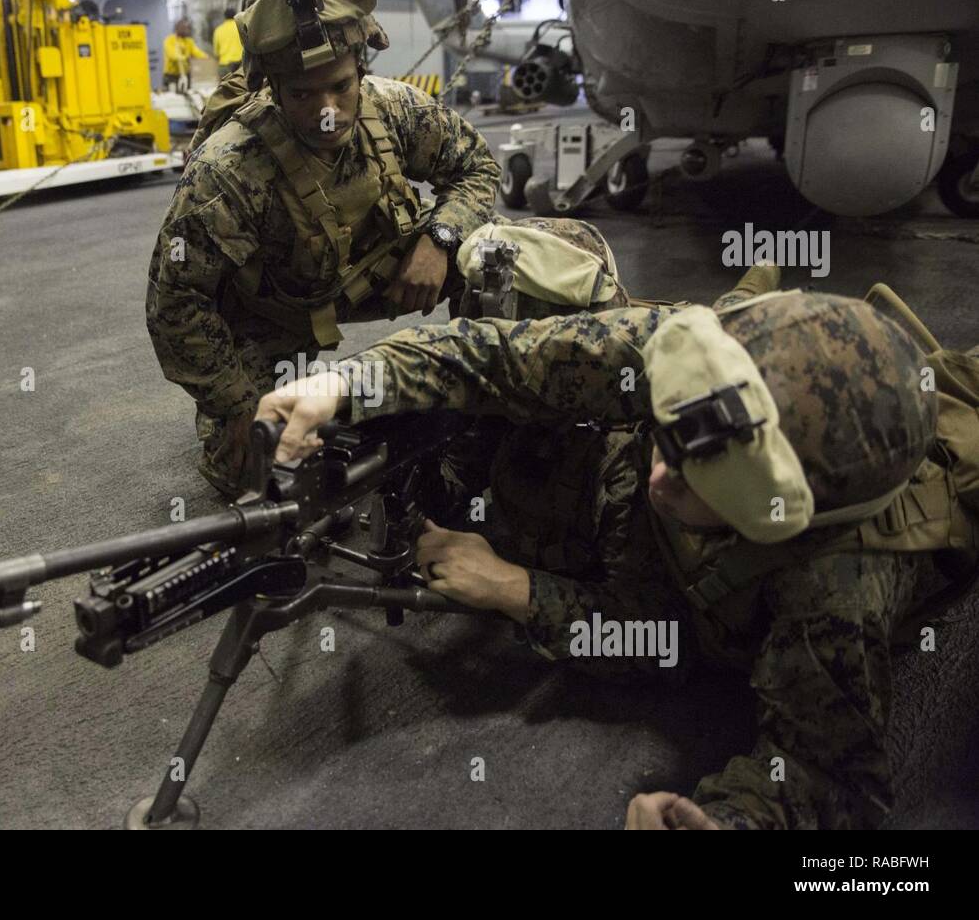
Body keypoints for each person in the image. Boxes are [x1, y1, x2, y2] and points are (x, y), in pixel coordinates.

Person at [255, 219, 978, 829]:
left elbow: (828, 781)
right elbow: (501, 359)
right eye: (667, 437)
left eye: (704, 482)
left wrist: (519, 591)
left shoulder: (837, 583)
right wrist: (348, 382)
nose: (663, 477)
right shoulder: (699, 347)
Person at [146, 0, 499, 497]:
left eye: (340, 87)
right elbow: (174, 303)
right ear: (274, 90)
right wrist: (239, 407)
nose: (328, 113)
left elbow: (476, 166)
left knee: (501, 256)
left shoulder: (394, 107)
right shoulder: (227, 169)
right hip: (278, 309)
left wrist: (441, 240)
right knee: (264, 474)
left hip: (380, 271)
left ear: (361, 69)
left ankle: (493, 400)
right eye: (304, 96)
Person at [162, 18, 209, 91]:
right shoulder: (170, 40)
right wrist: (184, 57)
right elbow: (172, 55)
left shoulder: (189, 41)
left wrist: (205, 57)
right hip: (171, 75)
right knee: (172, 98)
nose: (186, 30)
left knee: (187, 96)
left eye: (187, 28)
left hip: (185, 74)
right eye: (184, 28)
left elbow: (196, 52)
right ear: (177, 29)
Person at [213, 6, 244, 79]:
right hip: (240, 65)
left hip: (225, 66)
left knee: (225, 89)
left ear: (224, 16)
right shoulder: (240, 27)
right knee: (241, 88)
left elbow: (216, 52)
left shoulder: (218, 30)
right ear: (235, 15)